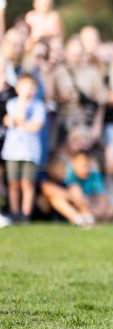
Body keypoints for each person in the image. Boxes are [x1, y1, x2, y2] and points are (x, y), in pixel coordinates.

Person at [2, 73, 46, 222]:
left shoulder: (39, 106)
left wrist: (18, 123)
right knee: (13, 183)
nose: (29, 90)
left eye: (32, 87)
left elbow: (31, 126)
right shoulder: (12, 103)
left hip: (30, 151)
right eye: (25, 87)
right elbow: (17, 120)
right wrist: (22, 100)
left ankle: (25, 214)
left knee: (27, 183)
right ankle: (14, 212)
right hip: (13, 151)